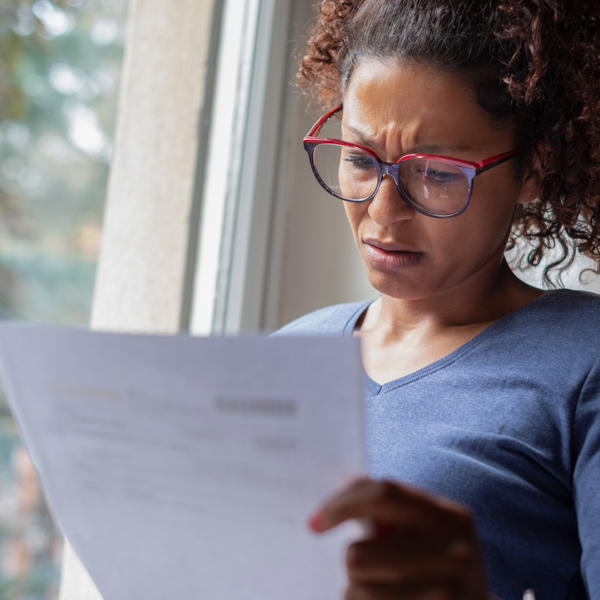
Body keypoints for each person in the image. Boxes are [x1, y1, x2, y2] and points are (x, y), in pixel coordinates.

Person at [276, 1, 600, 598]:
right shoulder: (286, 354)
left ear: (534, 167)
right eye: (358, 159)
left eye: (438, 172)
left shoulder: (584, 366)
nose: (382, 209)